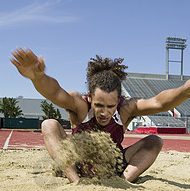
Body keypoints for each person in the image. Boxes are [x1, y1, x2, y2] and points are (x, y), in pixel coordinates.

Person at [11, 48, 190, 183]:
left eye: (110, 106)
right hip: (78, 164)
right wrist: (38, 78)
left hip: (111, 166)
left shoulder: (127, 109)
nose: (104, 112)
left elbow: (160, 102)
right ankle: (76, 182)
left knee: (154, 141)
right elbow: (55, 92)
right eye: (98, 105)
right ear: (90, 96)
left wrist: (185, 90)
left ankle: (123, 182)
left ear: (118, 100)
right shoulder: (80, 104)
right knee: (49, 124)